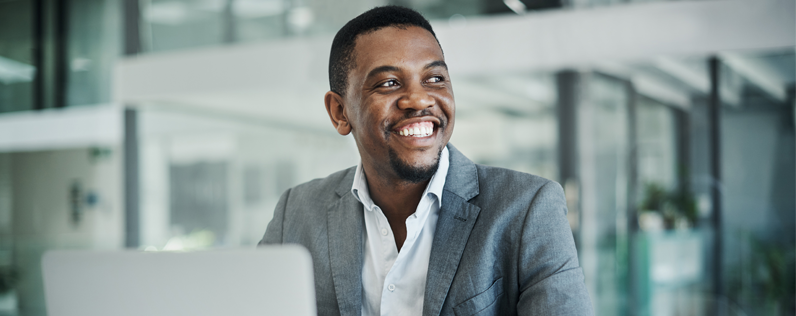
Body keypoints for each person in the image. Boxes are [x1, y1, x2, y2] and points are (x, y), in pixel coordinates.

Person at [259, 5, 593, 316]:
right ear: (339, 112)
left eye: (434, 79)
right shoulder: (296, 213)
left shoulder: (527, 209)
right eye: (388, 83)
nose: (419, 99)